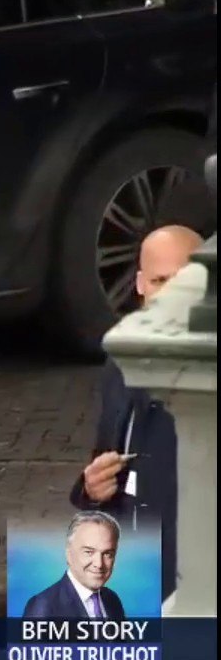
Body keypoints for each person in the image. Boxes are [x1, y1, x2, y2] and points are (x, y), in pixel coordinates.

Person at [70, 223, 203, 602]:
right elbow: (108, 457)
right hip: (134, 580)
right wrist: (93, 488)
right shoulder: (120, 362)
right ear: (141, 285)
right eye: (161, 281)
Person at [23, 511, 126, 620]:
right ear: (69, 554)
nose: (99, 564)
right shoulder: (43, 607)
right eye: (89, 552)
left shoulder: (112, 600)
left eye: (107, 554)